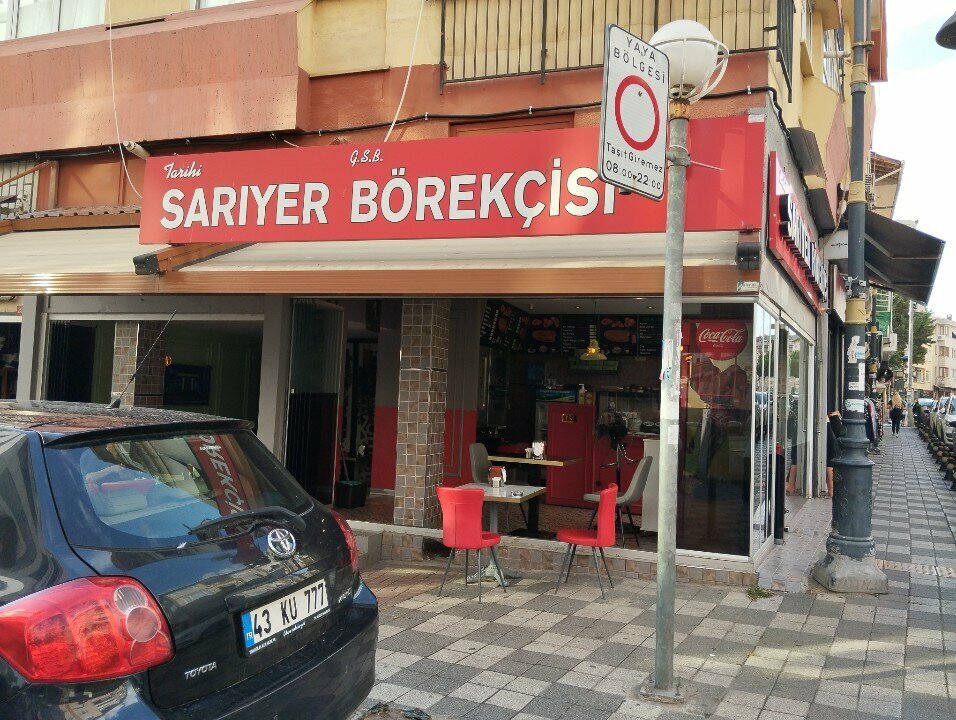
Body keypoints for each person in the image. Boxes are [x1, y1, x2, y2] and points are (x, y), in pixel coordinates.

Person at [825, 410, 843, 499]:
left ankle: (831, 491)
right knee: (831, 460)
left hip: (830, 420)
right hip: (832, 419)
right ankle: (831, 491)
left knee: (830, 461)